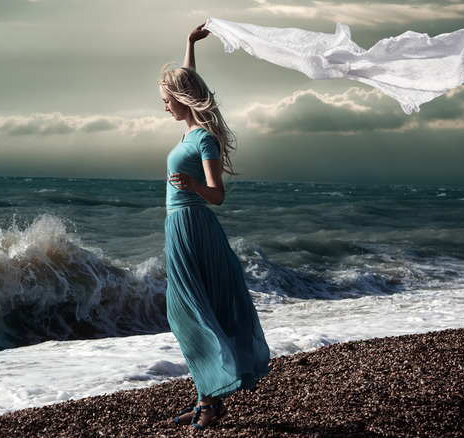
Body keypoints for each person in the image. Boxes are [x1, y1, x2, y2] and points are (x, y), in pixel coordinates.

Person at [159, 23, 270, 431]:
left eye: (167, 100)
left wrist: (191, 186)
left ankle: (210, 398)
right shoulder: (188, 131)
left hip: (196, 226)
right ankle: (208, 396)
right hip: (179, 229)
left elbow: (218, 194)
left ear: (181, 100)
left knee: (190, 311)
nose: (164, 107)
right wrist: (188, 44)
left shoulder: (204, 139)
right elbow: (189, 81)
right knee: (188, 310)